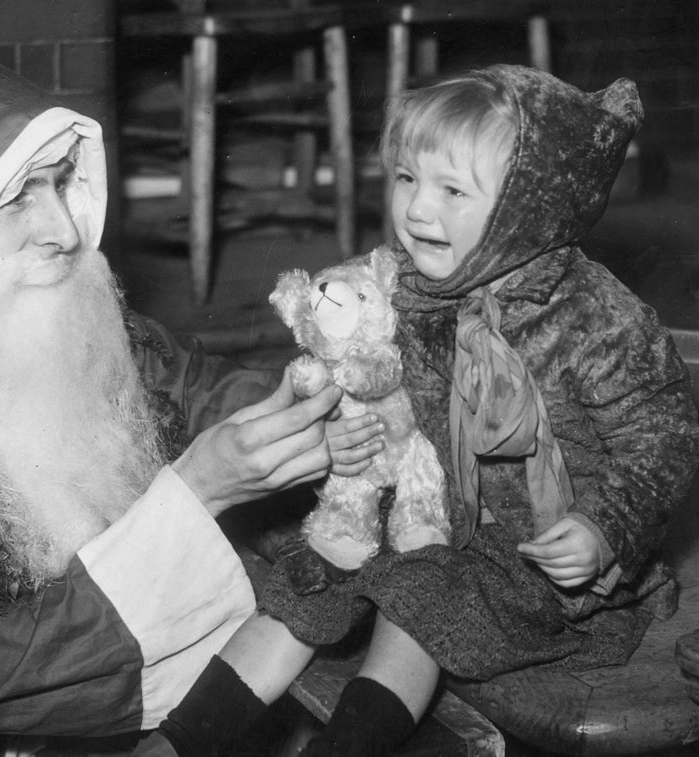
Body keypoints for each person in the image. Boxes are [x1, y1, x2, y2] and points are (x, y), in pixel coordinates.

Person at [0, 34, 386, 757]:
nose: (62, 228)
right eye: (20, 194)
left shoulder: (93, 336)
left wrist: (337, 405)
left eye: (60, 183)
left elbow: (217, 397)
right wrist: (196, 492)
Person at [139, 64, 699, 756]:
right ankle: (175, 742)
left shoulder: (594, 317)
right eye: (406, 178)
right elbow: (348, 338)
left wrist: (604, 524)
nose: (417, 209)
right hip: (423, 508)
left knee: (422, 596)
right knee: (310, 577)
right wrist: (338, 429)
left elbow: (663, 438)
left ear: (529, 204)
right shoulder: (402, 281)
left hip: (543, 555)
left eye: (451, 190)